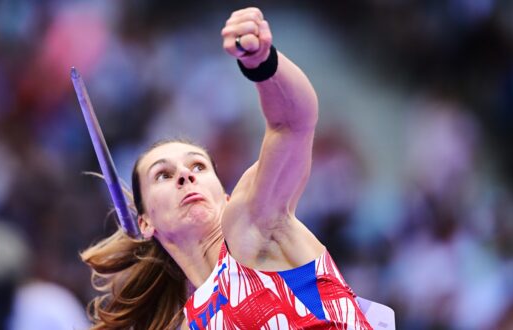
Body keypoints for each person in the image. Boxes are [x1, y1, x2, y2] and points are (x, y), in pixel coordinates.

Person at [82, 7, 372, 330]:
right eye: (163, 175)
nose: (185, 175)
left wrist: (264, 63)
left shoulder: (252, 225)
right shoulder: (193, 319)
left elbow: (293, 123)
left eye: (198, 166)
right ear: (146, 222)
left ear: (225, 194)